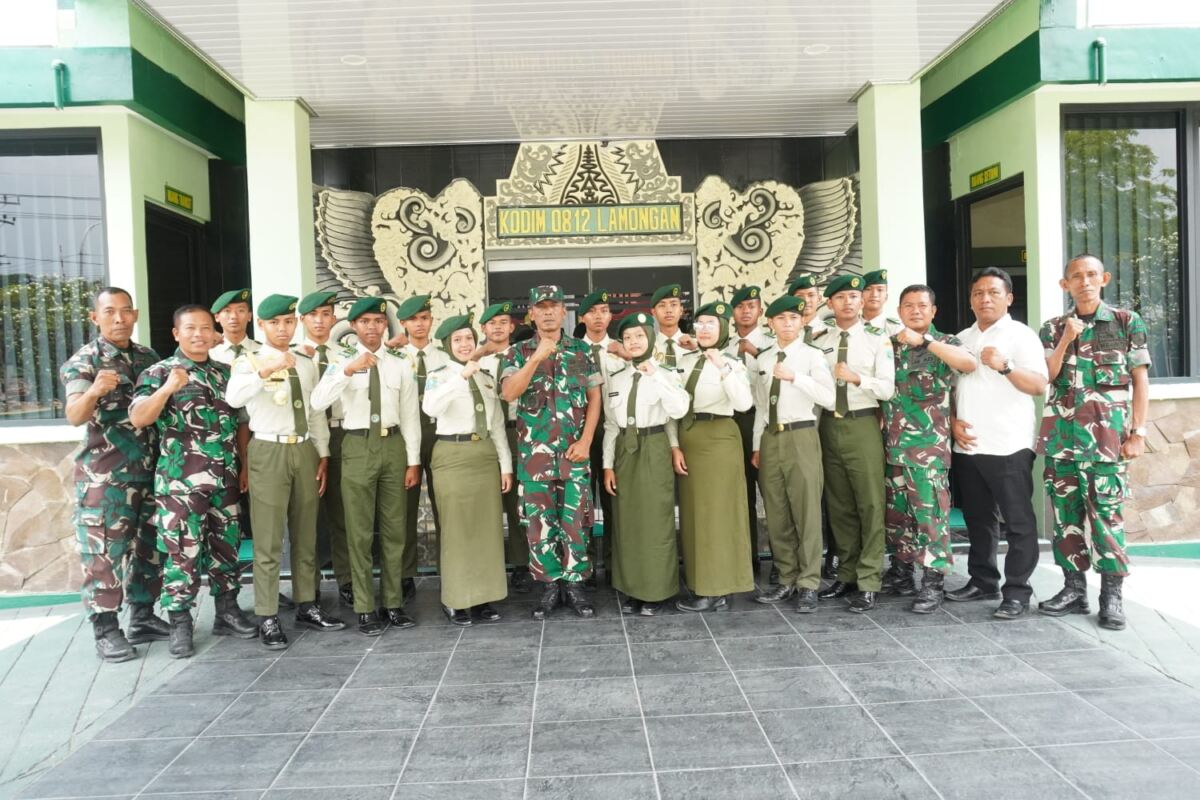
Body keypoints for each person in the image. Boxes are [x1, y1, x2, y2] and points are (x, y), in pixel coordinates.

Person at [129, 305, 258, 658]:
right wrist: (167, 389)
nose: (199, 334)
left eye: (205, 328)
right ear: (176, 334)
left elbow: (243, 422)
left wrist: (243, 466)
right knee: (181, 554)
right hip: (180, 484)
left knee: (226, 548)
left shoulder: (226, 373)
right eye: (190, 328)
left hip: (226, 478)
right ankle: (180, 622)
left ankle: (227, 612)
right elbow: (139, 418)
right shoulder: (159, 372)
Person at [1036, 255, 1150, 630]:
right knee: (1065, 520)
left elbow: (1140, 380)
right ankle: (1073, 589)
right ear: (1064, 284)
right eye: (1075, 277)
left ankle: (1112, 596)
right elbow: (1046, 377)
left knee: (1107, 518)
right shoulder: (1053, 328)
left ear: (1104, 279)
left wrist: (1139, 432)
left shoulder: (1125, 322)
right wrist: (1068, 338)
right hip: (1063, 442)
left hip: (1106, 441)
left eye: (1090, 275)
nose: (1084, 282)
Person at [226, 294, 343, 649]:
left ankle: (307, 603)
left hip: (303, 448)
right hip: (268, 449)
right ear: (261, 326)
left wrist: (321, 453)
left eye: (288, 321)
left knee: (306, 531)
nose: (282, 328)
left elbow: (314, 413)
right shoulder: (248, 361)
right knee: (269, 537)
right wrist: (265, 371)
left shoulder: (306, 361)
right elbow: (234, 398)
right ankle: (267, 614)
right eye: (275, 322)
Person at [60, 287, 168, 662]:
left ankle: (142, 616)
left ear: (135, 315)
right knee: (104, 550)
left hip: (150, 471)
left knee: (149, 547)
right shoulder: (84, 361)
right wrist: (93, 391)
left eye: (125, 311)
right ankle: (105, 628)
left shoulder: (148, 357)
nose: (119, 319)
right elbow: (75, 415)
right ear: (95, 318)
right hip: (106, 477)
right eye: (110, 312)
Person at [310, 296, 422, 635]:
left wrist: (413, 460)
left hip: (392, 446)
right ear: (354, 327)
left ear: (385, 325)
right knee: (358, 533)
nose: (372, 327)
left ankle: (393, 603)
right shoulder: (340, 360)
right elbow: (317, 402)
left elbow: (410, 414)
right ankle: (363, 607)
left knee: (394, 529)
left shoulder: (400, 362)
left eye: (378, 321)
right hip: (356, 445)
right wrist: (347, 370)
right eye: (365, 322)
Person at [948, 267, 1048, 619]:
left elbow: (1039, 385)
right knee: (978, 520)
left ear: (1009, 297)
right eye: (978, 293)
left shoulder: (1021, 336)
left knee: (1018, 522)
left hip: (1009, 444)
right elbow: (951, 390)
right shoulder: (960, 338)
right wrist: (952, 422)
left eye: (993, 292)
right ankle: (983, 580)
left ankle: (1017, 591)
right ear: (971, 299)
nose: (985, 298)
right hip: (969, 445)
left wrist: (1005, 366)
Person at [500, 285, 603, 620]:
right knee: (540, 525)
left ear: (563, 312)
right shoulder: (517, 353)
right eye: (540, 307)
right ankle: (548, 585)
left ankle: (575, 585)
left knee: (576, 522)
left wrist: (587, 440)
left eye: (553, 306)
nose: (547, 312)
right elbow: (509, 392)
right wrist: (537, 358)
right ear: (531, 313)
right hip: (535, 459)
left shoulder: (581, 352)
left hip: (574, 454)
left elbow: (594, 398)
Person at [882, 285, 976, 613]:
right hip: (891, 448)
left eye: (923, 305)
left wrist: (926, 342)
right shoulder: (889, 346)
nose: (916, 311)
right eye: (909, 305)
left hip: (927, 449)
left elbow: (968, 364)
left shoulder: (946, 343)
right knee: (897, 516)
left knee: (930, 516)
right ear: (899, 310)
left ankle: (933, 581)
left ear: (933, 311)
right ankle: (902, 571)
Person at [422, 313, 514, 625]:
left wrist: (506, 465)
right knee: (457, 530)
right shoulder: (439, 374)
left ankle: (483, 597)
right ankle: (457, 599)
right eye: (458, 340)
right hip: (453, 454)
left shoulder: (486, 376)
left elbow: (498, 425)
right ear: (447, 345)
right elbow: (431, 408)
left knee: (487, 530)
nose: (465, 344)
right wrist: (460, 376)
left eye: (469, 339)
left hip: (484, 454)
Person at [811, 274, 895, 613]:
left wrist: (858, 377)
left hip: (862, 424)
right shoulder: (820, 341)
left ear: (862, 302)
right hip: (829, 425)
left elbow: (888, 389)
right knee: (839, 505)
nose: (848, 302)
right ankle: (845, 574)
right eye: (840, 297)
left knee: (870, 504)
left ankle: (870, 579)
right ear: (829, 304)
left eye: (853, 296)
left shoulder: (878, 339)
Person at [750, 295, 834, 613]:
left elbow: (828, 397)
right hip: (772, 437)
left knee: (807, 511)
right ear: (770, 323)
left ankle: (809, 582)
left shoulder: (812, 356)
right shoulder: (763, 359)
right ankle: (786, 577)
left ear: (801, 322)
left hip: (801, 434)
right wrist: (758, 445)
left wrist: (796, 377)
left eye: (794, 318)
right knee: (776, 511)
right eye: (781, 318)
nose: (788, 323)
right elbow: (760, 406)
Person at [669, 300, 755, 612]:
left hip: (718, 437)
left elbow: (743, 403)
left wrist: (722, 366)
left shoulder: (732, 362)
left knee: (717, 516)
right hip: (689, 437)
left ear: (723, 329)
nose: (704, 329)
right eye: (700, 323)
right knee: (694, 517)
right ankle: (701, 582)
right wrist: (674, 444)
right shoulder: (687, 359)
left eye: (712, 324)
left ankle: (717, 588)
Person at [602, 312, 690, 615]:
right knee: (628, 524)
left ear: (649, 339)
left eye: (639, 336)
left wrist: (654, 375)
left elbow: (676, 412)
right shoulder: (616, 378)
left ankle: (656, 591)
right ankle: (632, 589)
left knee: (655, 521)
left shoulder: (666, 373)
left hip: (653, 447)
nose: (633, 342)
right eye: (627, 338)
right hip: (625, 451)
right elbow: (611, 426)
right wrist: (607, 465)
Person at [298, 290, 355, 606]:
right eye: (313, 315)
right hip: (305, 440)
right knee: (307, 516)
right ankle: (311, 586)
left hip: (343, 435)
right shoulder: (293, 355)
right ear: (302, 320)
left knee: (343, 512)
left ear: (334, 318)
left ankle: (347, 579)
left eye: (326, 314)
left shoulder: (346, 354)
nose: (320, 321)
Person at [396, 294, 448, 601]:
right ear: (403, 323)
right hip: (405, 436)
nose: (420, 324)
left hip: (440, 433)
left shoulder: (443, 356)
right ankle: (405, 574)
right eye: (414, 319)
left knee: (445, 509)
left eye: (425, 318)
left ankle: (449, 571)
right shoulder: (394, 357)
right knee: (404, 509)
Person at [476, 302, 530, 592]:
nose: (497, 327)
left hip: (519, 432)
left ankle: (523, 563)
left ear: (512, 327)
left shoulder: (523, 356)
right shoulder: (475, 360)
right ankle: (491, 564)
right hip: (485, 437)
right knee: (487, 501)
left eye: (503, 322)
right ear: (483, 328)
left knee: (519, 500)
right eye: (491, 322)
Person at [726, 285, 775, 581]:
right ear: (733, 312)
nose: (746, 310)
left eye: (752, 305)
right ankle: (749, 556)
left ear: (760, 310)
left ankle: (782, 559)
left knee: (772, 492)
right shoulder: (726, 345)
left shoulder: (772, 342)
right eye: (740, 306)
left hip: (766, 421)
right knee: (740, 492)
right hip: (736, 423)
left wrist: (756, 353)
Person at [577, 289, 623, 583]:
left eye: (604, 310)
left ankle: (616, 563)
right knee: (581, 502)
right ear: (582, 318)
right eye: (592, 312)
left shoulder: (621, 349)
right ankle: (586, 565)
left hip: (615, 432)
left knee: (614, 499)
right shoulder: (572, 350)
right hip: (580, 434)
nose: (598, 316)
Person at [209, 288, 261, 364]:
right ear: (217, 317)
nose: (234, 316)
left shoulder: (263, 351)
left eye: (240, 310)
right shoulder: (209, 353)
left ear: (249, 316)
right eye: (227, 311)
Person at [649, 283, 696, 368]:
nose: (668, 310)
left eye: (673, 304)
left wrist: (696, 350)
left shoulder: (694, 345)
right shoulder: (648, 347)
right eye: (662, 305)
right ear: (654, 312)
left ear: (681, 310)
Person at [861, 269, 904, 336]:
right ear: (860, 296)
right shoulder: (850, 326)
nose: (874, 294)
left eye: (880, 290)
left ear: (886, 297)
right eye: (868, 289)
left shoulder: (895, 328)